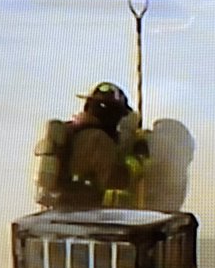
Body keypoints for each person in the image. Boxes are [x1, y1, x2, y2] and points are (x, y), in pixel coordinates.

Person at [32, 82, 143, 210]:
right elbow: (115, 181)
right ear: (113, 115)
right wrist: (138, 159)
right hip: (84, 215)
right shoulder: (99, 139)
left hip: (60, 211)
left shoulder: (72, 131)